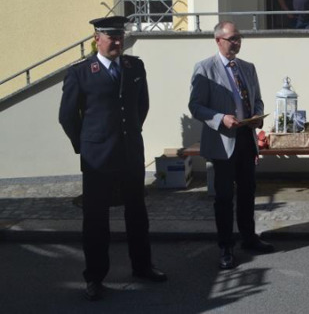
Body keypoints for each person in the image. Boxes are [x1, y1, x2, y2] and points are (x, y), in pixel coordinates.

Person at [58, 16, 167, 301]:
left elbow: (142, 105)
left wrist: (132, 131)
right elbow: (67, 116)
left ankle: (142, 266)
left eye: (120, 36)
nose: (118, 42)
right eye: (112, 37)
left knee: (137, 214)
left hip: (130, 153)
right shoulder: (81, 73)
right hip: (98, 158)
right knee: (95, 220)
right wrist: (84, 145)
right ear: (97, 38)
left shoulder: (135, 67)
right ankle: (94, 277)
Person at [188, 21, 273, 270]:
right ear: (218, 40)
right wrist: (220, 119)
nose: (236, 43)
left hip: (246, 138)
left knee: (248, 192)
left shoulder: (247, 67)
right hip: (222, 142)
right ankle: (225, 246)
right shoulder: (205, 68)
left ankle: (249, 237)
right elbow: (195, 106)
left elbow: (257, 100)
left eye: (239, 38)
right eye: (232, 39)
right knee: (224, 197)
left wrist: (257, 115)